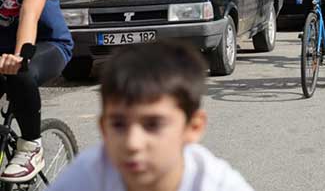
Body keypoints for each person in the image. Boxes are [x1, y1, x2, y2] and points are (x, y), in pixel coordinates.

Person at [46, 43, 253, 191]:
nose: (132, 143)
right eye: (118, 124)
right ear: (103, 127)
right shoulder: (88, 175)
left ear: (193, 127)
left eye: (153, 124)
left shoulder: (216, 184)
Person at [0, 0, 72, 183]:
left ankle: (31, 145)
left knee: (20, 74)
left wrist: (19, 56)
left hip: (46, 46)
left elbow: (29, 14)